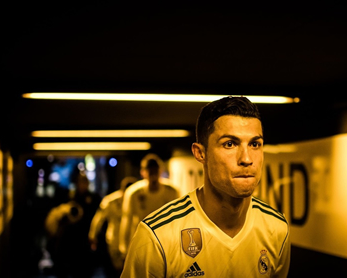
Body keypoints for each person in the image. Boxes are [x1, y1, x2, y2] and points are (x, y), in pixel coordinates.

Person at [120, 96, 291, 277]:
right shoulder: (156, 238)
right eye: (230, 144)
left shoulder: (277, 228)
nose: (247, 159)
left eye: (255, 144)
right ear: (200, 153)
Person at [118, 153, 180, 261]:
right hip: (142, 243)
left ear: (160, 171)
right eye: (150, 172)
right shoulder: (134, 193)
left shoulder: (171, 192)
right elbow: (126, 220)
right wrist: (124, 248)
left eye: (155, 172)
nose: (153, 176)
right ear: (143, 173)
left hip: (166, 243)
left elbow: (178, 220)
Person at [44, 170, 102, 278]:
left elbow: (98, 218)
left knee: (84, 270)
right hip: (70, 240)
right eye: (80, 181)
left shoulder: (94, 198)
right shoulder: (69, 196)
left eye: (85, 182)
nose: (83, 184)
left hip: (86, 239)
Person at [88, 176, 137, 277]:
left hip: (132, 239)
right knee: (117, 270)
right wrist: (93, 235)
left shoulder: (139, 200)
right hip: (115, 240)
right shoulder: (111, 201)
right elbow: (99, 218)